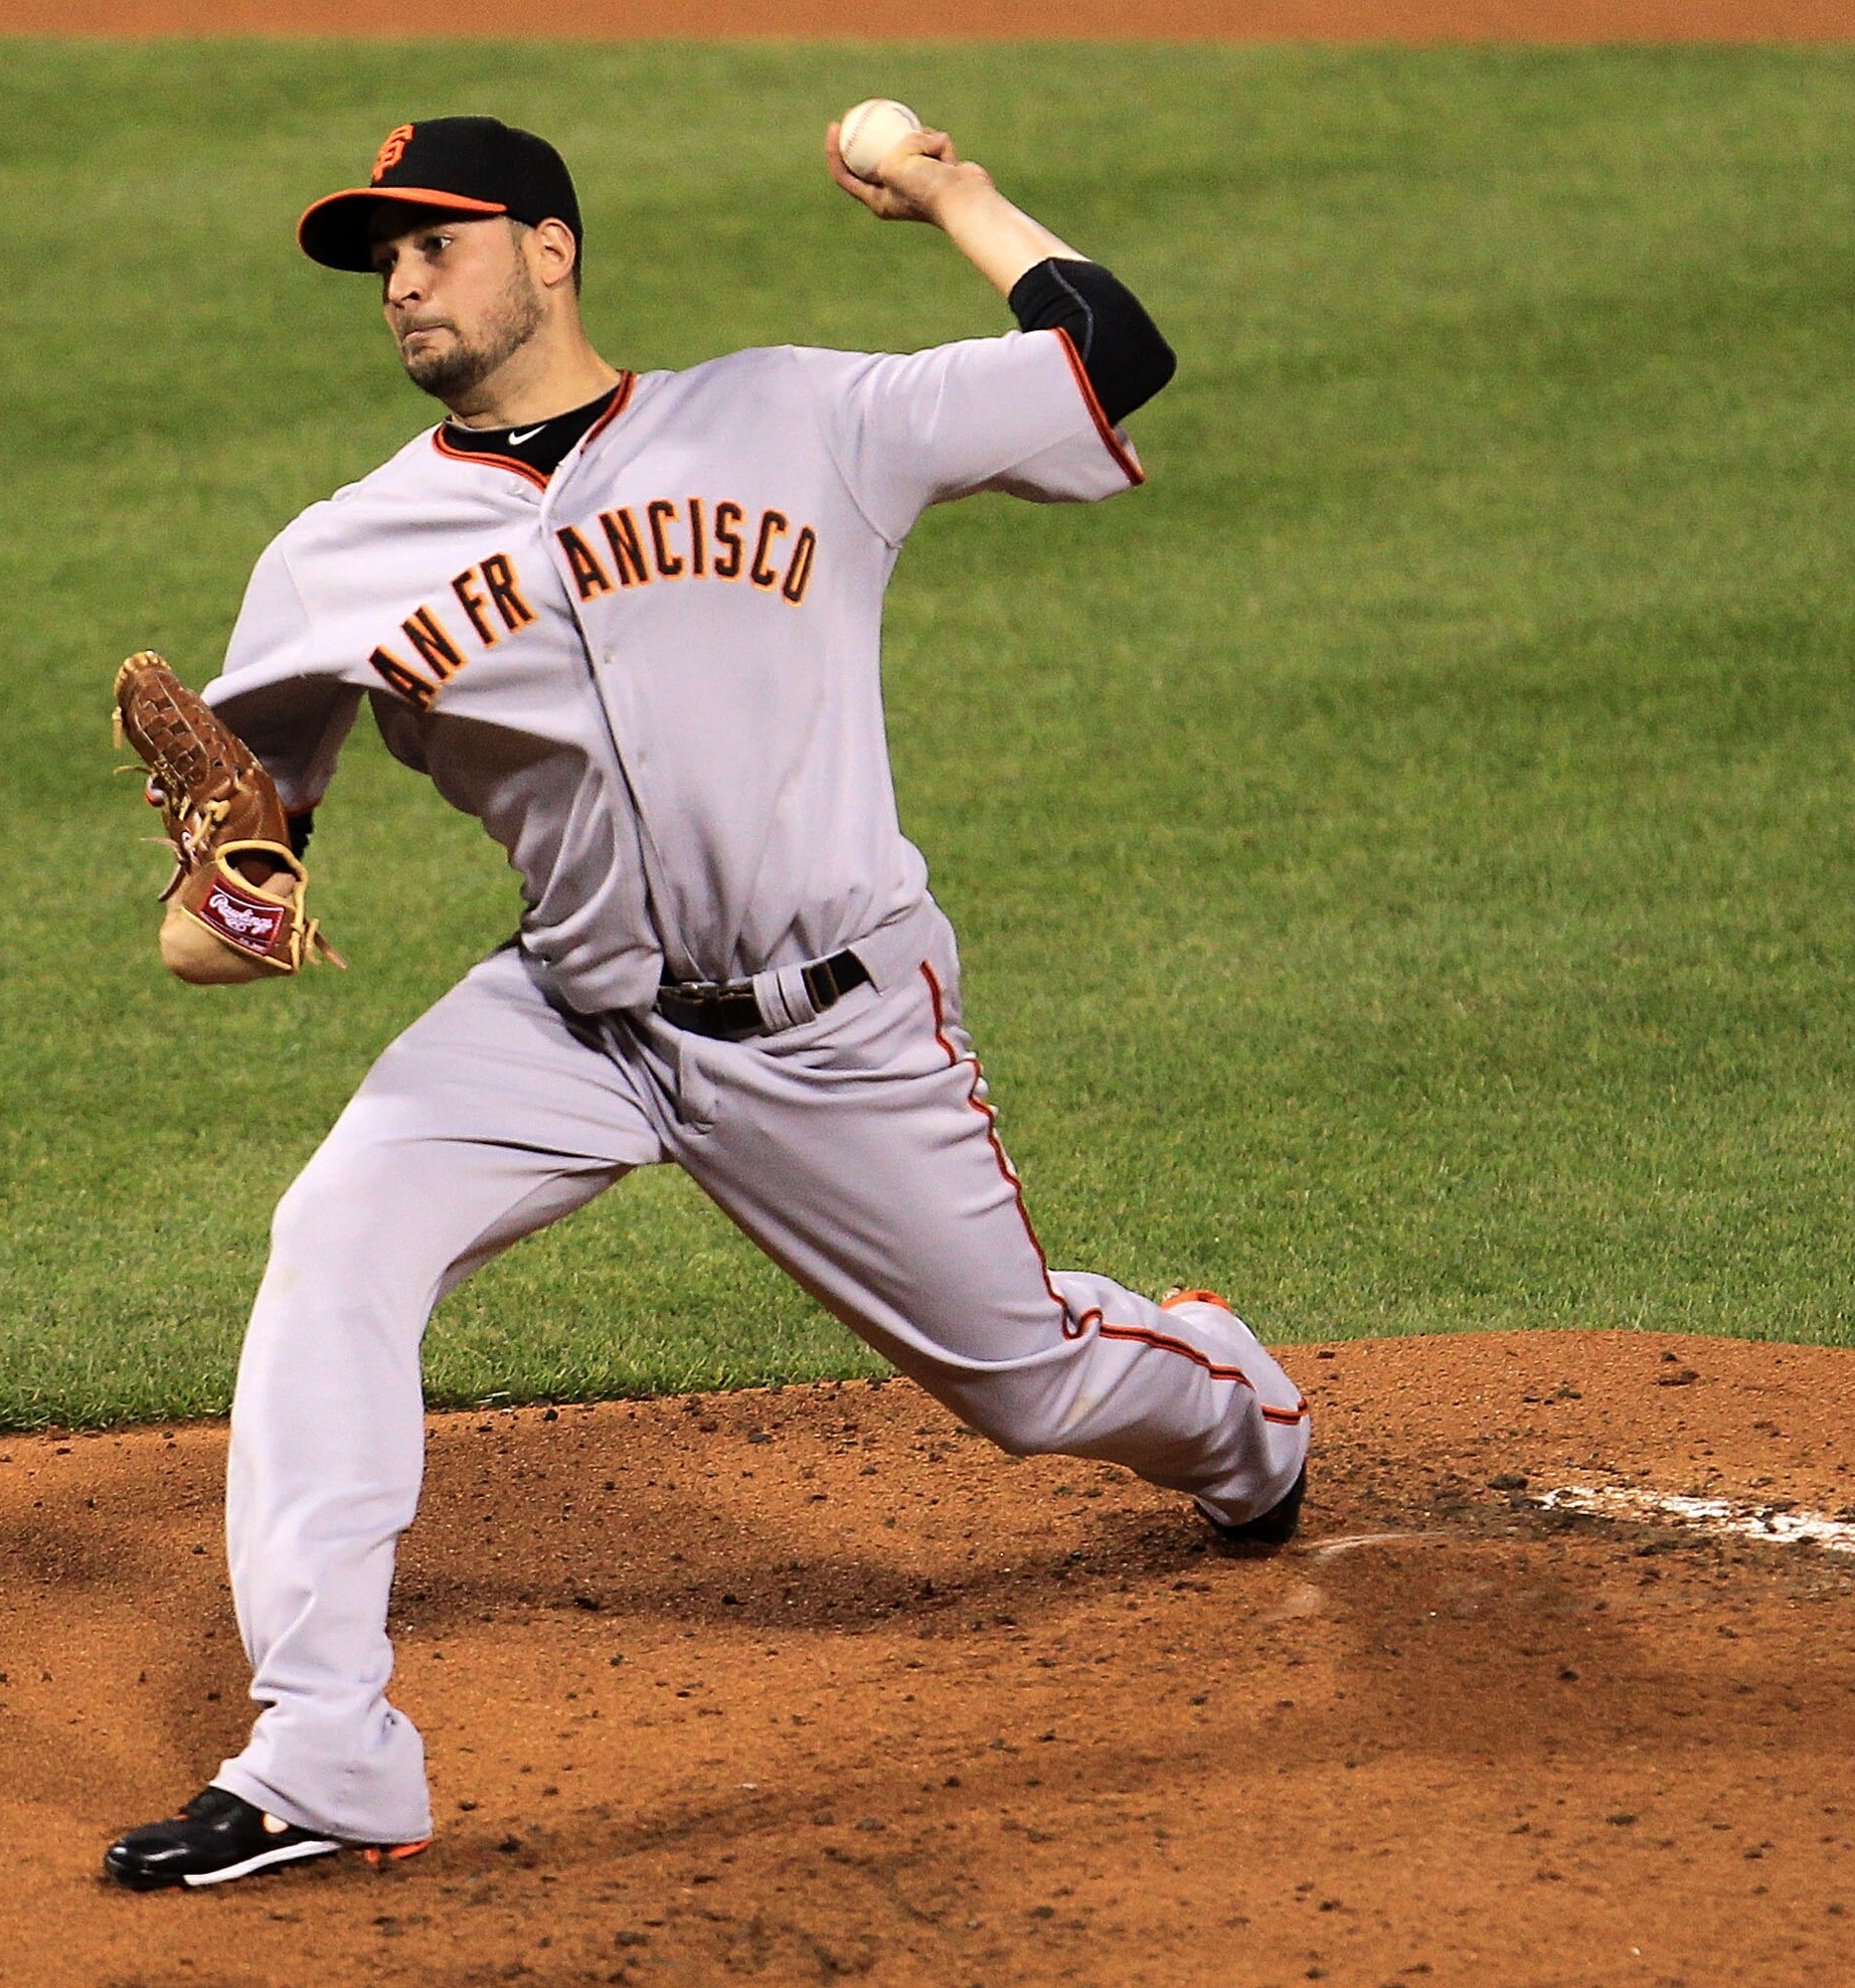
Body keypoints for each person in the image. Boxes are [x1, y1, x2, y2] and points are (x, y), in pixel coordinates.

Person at [103, 113, 1311, 1892]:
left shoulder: (796, 415)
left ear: (552, 247)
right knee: (335, 1236)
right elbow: (237, 895)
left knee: (1033, 1388)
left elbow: (1108, 356)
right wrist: (236, 909)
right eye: (383, 261)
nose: (404, 282)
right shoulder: (337, 555)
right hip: (572, 1017)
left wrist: (952, 197)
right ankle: (322, 1751)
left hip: (833, 1023)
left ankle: (1235, 1406)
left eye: (435, 242)